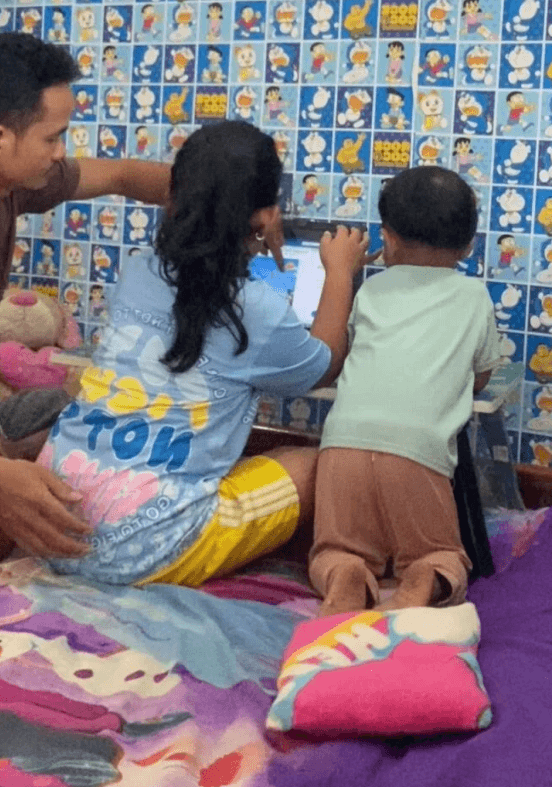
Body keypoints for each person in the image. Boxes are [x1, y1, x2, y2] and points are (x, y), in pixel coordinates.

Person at [0, 32, 285, 567]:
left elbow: (123, 175)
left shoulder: (11, 185)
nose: (61, 152)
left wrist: (234, 206)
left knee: (97, 416)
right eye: (53, 137)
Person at [37, 120, 378, 586]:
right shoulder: (258, 310)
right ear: (264, 217)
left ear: (172, 199)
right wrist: (339, 271)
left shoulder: (139, 272)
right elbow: (324, 363)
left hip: (51, 528)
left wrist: (252, 227)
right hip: (142, 552)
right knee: (317, 463)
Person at [309, 166, 503, 616]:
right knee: (438, 553)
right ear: (469, 245)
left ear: (387, 238)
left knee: (335, 549)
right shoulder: (474, 296)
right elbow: (481, 378)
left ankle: (345, 579)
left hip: (341, 446)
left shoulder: (371, 289)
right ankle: (420, 582)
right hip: (418, 454)